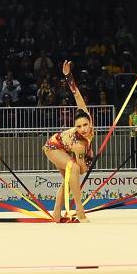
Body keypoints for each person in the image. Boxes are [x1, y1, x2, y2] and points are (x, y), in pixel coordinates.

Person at [42, 61, 94, 223]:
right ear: (74, 127)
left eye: (85, 125)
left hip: (64, 149)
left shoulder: (87, 119)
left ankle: (56, 213)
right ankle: (80, 211)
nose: (83, 129)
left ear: (90, 121)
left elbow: (77, 95)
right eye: (79, 126)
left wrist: (68, 76)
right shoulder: (77, 143)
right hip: (53, 147)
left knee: (69, 180)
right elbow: (81, 168)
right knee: (74, 169)